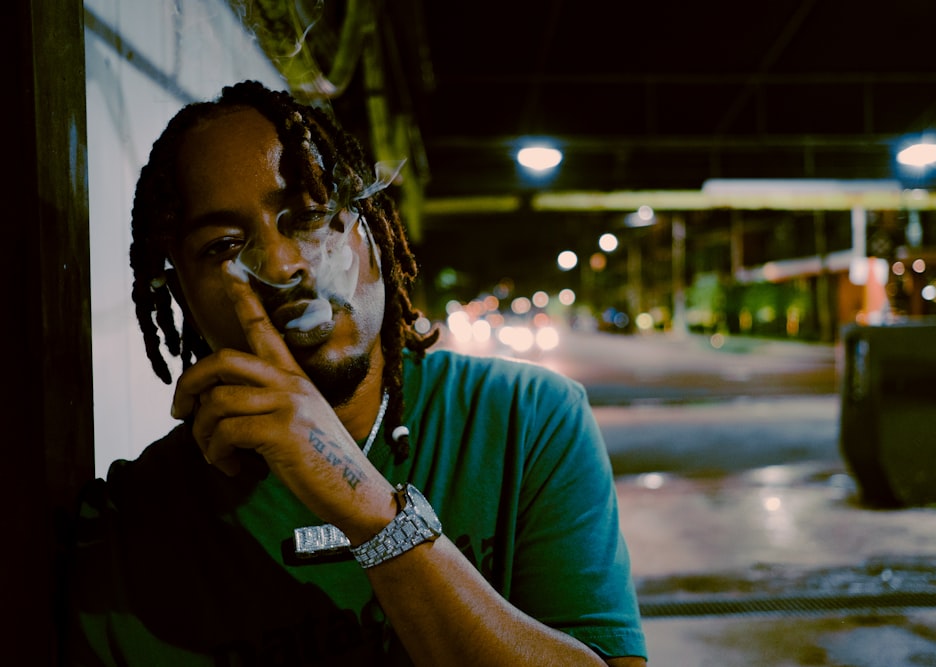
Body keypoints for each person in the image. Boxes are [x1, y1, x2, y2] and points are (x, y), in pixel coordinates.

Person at [66, 80, 648, 666]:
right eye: (223, 246)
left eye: (311, 217)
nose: (282, 263)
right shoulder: (134, 523)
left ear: (369, 228)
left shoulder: (526, 418)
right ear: (183, 291)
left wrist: (372, 514)